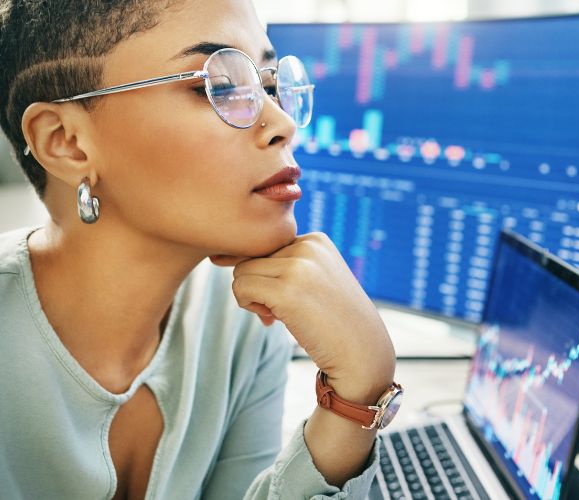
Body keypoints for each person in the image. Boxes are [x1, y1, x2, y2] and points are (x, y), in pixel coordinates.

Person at [0, 0, 400, 498]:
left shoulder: (248, 320)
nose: (281, 123)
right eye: (219, 87)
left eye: (269, 85)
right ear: (66, 142)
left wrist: (356, 395)